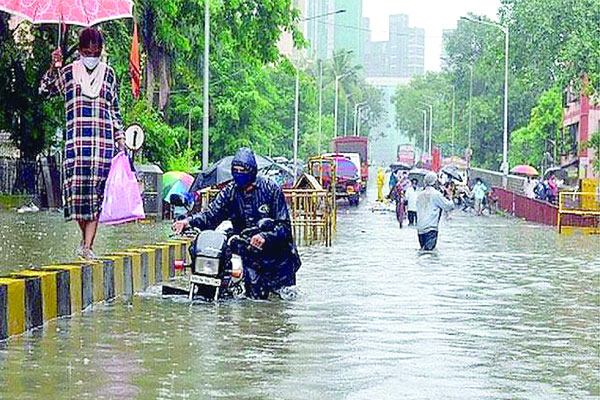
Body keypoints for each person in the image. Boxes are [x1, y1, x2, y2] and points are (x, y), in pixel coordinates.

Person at [40, 27, 125, 260]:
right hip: (77, 147)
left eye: (96, 52)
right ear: (79, 51)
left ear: (101, 52)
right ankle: (84, 239)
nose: (91, 56)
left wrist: (120, 138)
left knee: (97, 197)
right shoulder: (67, 73)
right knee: (77, 198)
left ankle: (87, 246)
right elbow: (44, 90)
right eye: (87, 51)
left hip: (102, 145)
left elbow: (114, 109)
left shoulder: (109, 75)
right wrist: (53, 65)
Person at [172, 148, 301, 300]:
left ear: (252, 171)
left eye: (243, 170)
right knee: (250, 298)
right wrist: (187, 221)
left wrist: (265, 236)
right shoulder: (230, 192)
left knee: (278, 306)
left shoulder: (271, 189)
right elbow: (211, 215)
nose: (239, 173)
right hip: (249, 256)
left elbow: (284, 227)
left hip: (277, 261)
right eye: (236, 170)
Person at [416, 172, 454, 251]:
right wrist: (450, 197)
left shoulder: (420, 195)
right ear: (435, 182)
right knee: (429, 254)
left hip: (420, 229)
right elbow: (449, 206)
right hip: (431, 229)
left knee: (423, 251)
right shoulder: (436, 194)